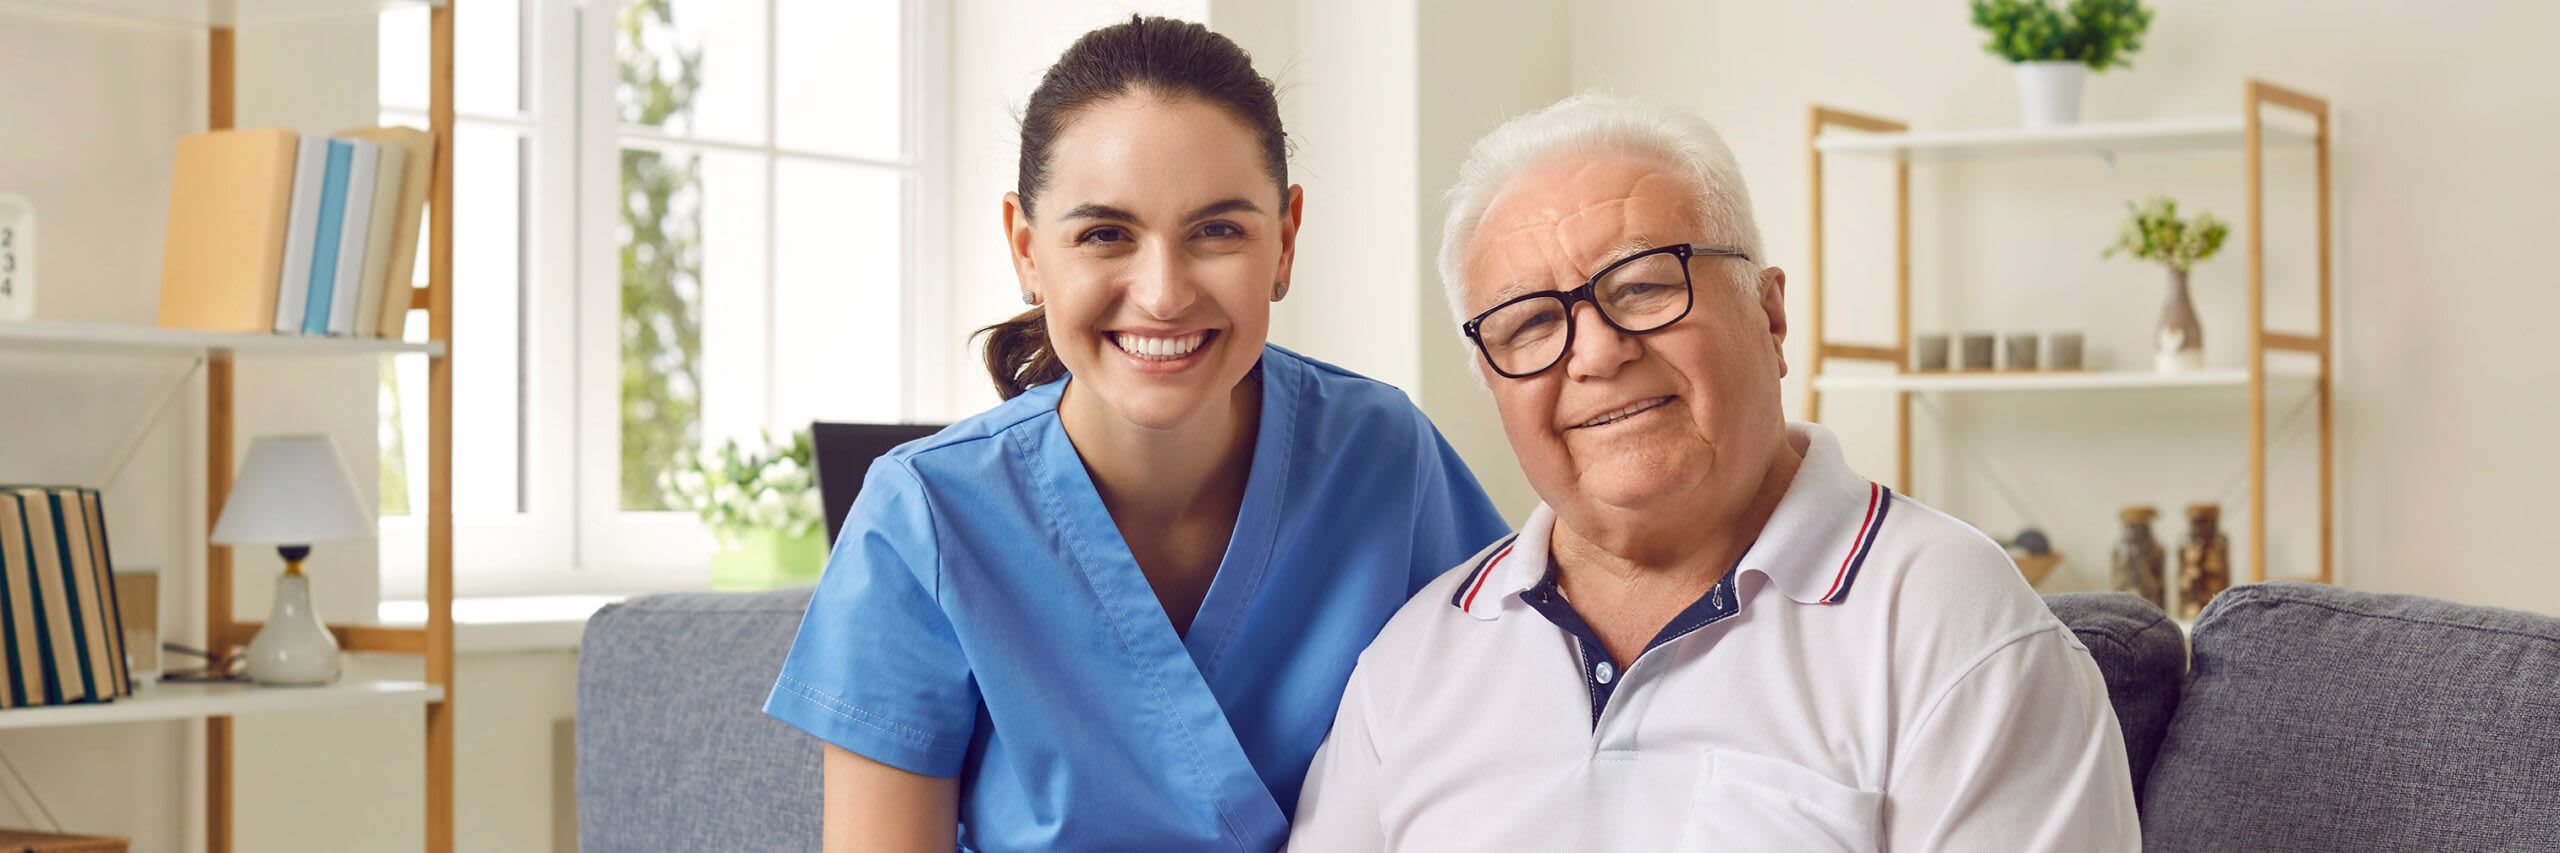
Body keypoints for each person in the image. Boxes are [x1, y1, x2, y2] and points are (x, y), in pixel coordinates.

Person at [1288, 94, 2139, 851]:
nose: (1596, 352)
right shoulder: (1416, 658)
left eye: (1645, 285)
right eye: (1528, 325)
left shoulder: (1955, 626)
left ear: (1770, 314)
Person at [762, 16, 1511, 852]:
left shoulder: (1385, 460)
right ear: (1027, 249)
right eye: (1104, 235)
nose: (1162, 293)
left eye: (1218, 230)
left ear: (1285, 242)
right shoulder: (924, 518)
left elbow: (1512, 749)